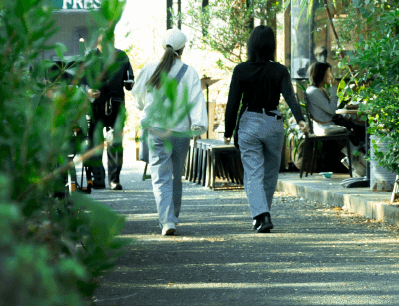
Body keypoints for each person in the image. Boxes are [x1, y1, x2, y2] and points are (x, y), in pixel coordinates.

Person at [224, 26, 308, 233]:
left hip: (250, 123)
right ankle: (262, 216)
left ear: (251, 45)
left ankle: (262, 215)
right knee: (270, 174)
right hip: (273, 122)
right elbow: (290, 96)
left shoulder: (241, 70)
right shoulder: (279, 70)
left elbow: (233, 102)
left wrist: (227, 130)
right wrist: (300, 120)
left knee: (253, 172)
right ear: (272, 45)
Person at [131, 29, 206, 236]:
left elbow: (137, 98)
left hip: (156, 131)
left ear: (162, 46)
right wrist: (198, 125)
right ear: (183, 49)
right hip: (181, 132)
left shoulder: (148, 69)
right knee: (175, 176)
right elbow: (197, 100)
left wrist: (143, 108)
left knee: (160, 177)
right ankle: (173, 216)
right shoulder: (189, 72)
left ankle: (167, 221)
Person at [84, 39, 135, 190]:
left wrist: (129, 84)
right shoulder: (90, 57)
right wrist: (88, 90)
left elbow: (130, 79)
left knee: (115, 143)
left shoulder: (122, 56)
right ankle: (98, 179)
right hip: (96, 105)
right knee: (95, 143)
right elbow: (82, 80)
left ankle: (114, 180)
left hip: (116, 105)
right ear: (97, 43)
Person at [305, 62, 366, 174]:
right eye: (328, 72)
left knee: (363, 129)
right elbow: (332, 110)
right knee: (363, 131)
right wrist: (334, 89)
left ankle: (357, 161)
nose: (331, 75)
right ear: (320, 74)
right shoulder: (314, 91)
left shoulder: (318, 89)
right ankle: (359, 164)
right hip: (325, 126)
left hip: (330, 123)